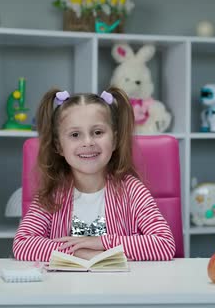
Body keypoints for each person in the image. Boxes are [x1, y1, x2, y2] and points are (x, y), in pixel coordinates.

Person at [13, 87, 175, 262]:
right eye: (75, 134)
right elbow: (22, 245)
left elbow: (164, 244)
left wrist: (101, 243)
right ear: (59, 146)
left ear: (114, 141)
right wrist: (82, 253)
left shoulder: (132, 190)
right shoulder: (52, 194)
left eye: (98, 132)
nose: (88, 142)